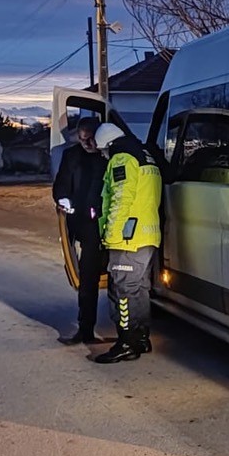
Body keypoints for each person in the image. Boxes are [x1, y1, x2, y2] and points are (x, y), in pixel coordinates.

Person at [92, 122, 162, 363]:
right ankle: (141, 338)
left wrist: (110, 237)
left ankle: (126, 343)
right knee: (139, 289)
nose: (104, 155)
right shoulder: (146, 156)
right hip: (147, 235)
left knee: (122, 291)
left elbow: (121, 200)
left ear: (109, 144)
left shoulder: (122, 158)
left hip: (127, 238)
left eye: (103, 150)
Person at [52, 115, 107, 344]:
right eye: (82, 140)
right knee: (85, 278)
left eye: (90, 140)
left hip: (105, 223)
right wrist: (63, 200)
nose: (87, 145)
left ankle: (123, 331)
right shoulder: (71, 155)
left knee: (105, 278)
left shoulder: (109, 157)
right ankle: (85, 329)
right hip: (81, 223)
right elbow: (61, 184)